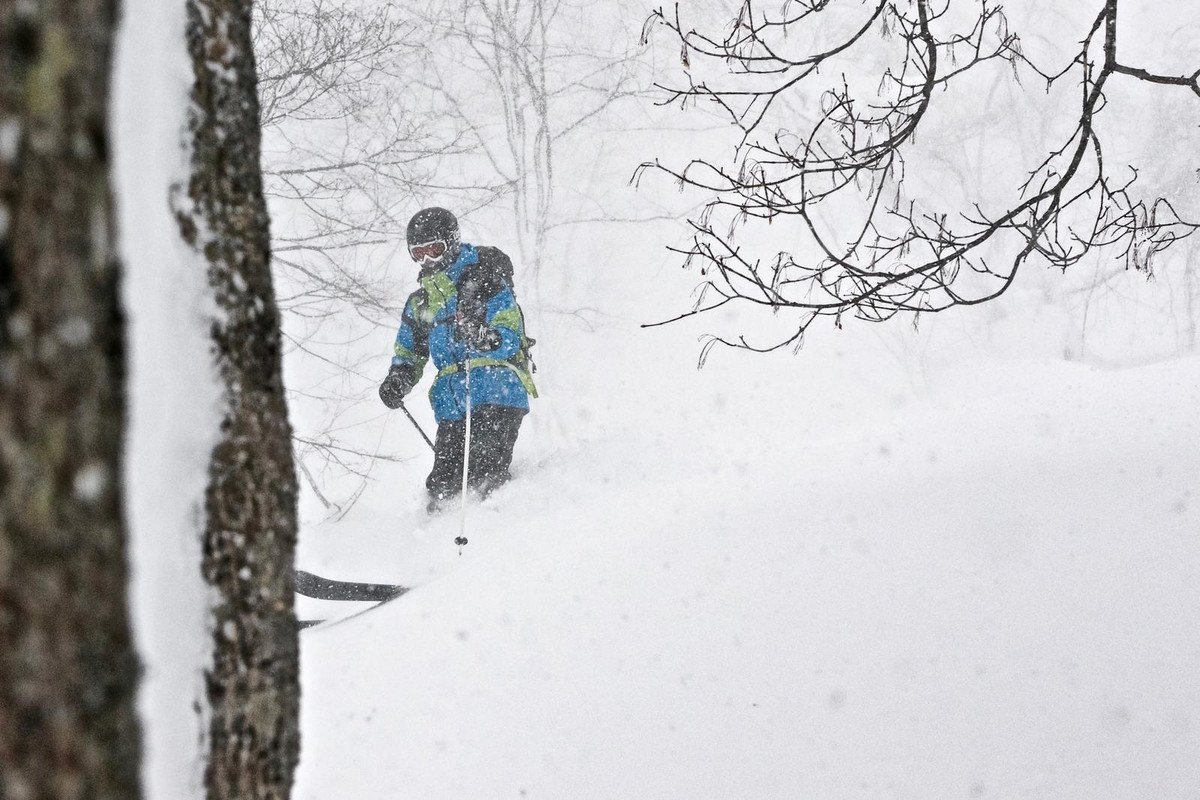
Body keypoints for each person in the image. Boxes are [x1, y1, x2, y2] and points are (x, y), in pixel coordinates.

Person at [378, 207, 535, 513]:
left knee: (483, 474)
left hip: (495, 391)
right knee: (442, 486)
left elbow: (508, 326)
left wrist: (487, 338)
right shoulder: (421, 302)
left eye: (435, 250)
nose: (427, 261)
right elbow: (409, 351)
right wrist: (399, 379)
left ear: (452, 243)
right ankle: (441, 546)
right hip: (452, 405)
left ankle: (502, 527)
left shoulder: (483, 280)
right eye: (418, 253)